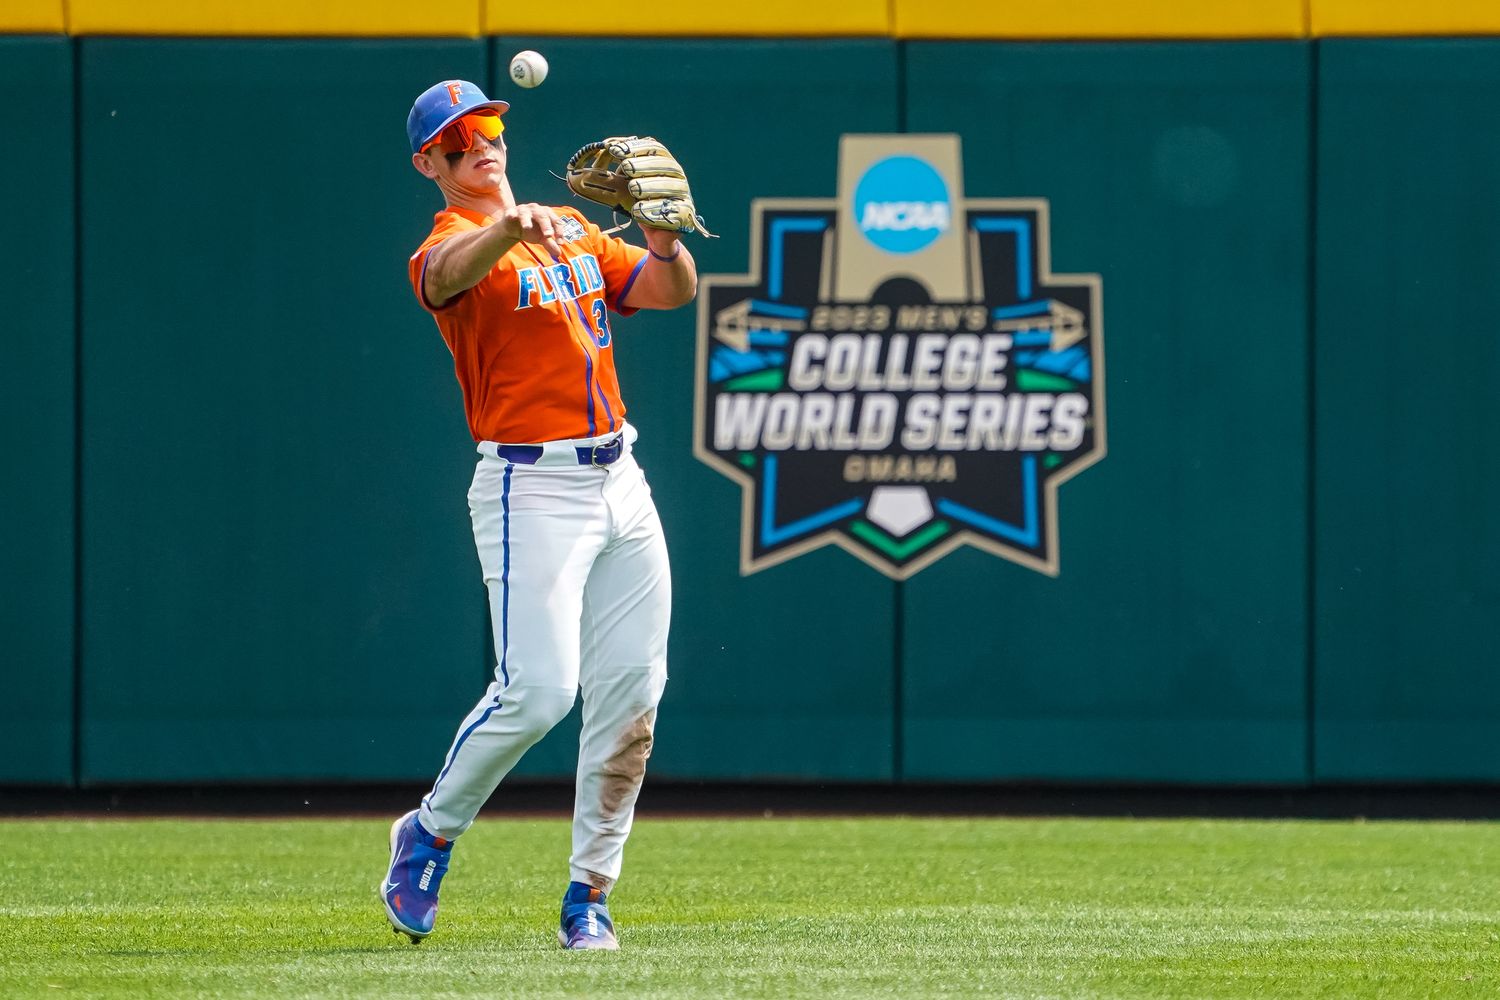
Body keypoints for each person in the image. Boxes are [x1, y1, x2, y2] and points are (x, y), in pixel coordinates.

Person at [381, 79, 696, 951]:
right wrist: (506, 229)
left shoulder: (572, 226)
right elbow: (447, 276)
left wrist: (666, 238)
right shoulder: (451, 242)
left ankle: (588, 896)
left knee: (633, 703)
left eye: (487, 128)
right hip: (533, 487)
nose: (480, 143)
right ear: (430, 164)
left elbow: (670, 293)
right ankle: (430, 833)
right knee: (539, 692)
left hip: (619, 476)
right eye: (458, 139)